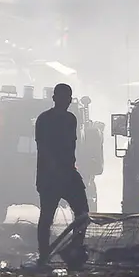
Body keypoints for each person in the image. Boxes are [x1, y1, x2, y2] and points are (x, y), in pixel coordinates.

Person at [35, 83, 89, 267]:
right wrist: (55, 169)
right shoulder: (44, 120)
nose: (66, 102)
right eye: (63, 98)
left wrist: (68, 170)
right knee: (47, 217)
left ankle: (74, 251)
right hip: (50, 175)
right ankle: (43, 255)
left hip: (67, 173)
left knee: (83, 213)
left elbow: (70, 147)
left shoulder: (70, 119)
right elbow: (44, 149)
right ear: (55, 98)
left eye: (68, 98)